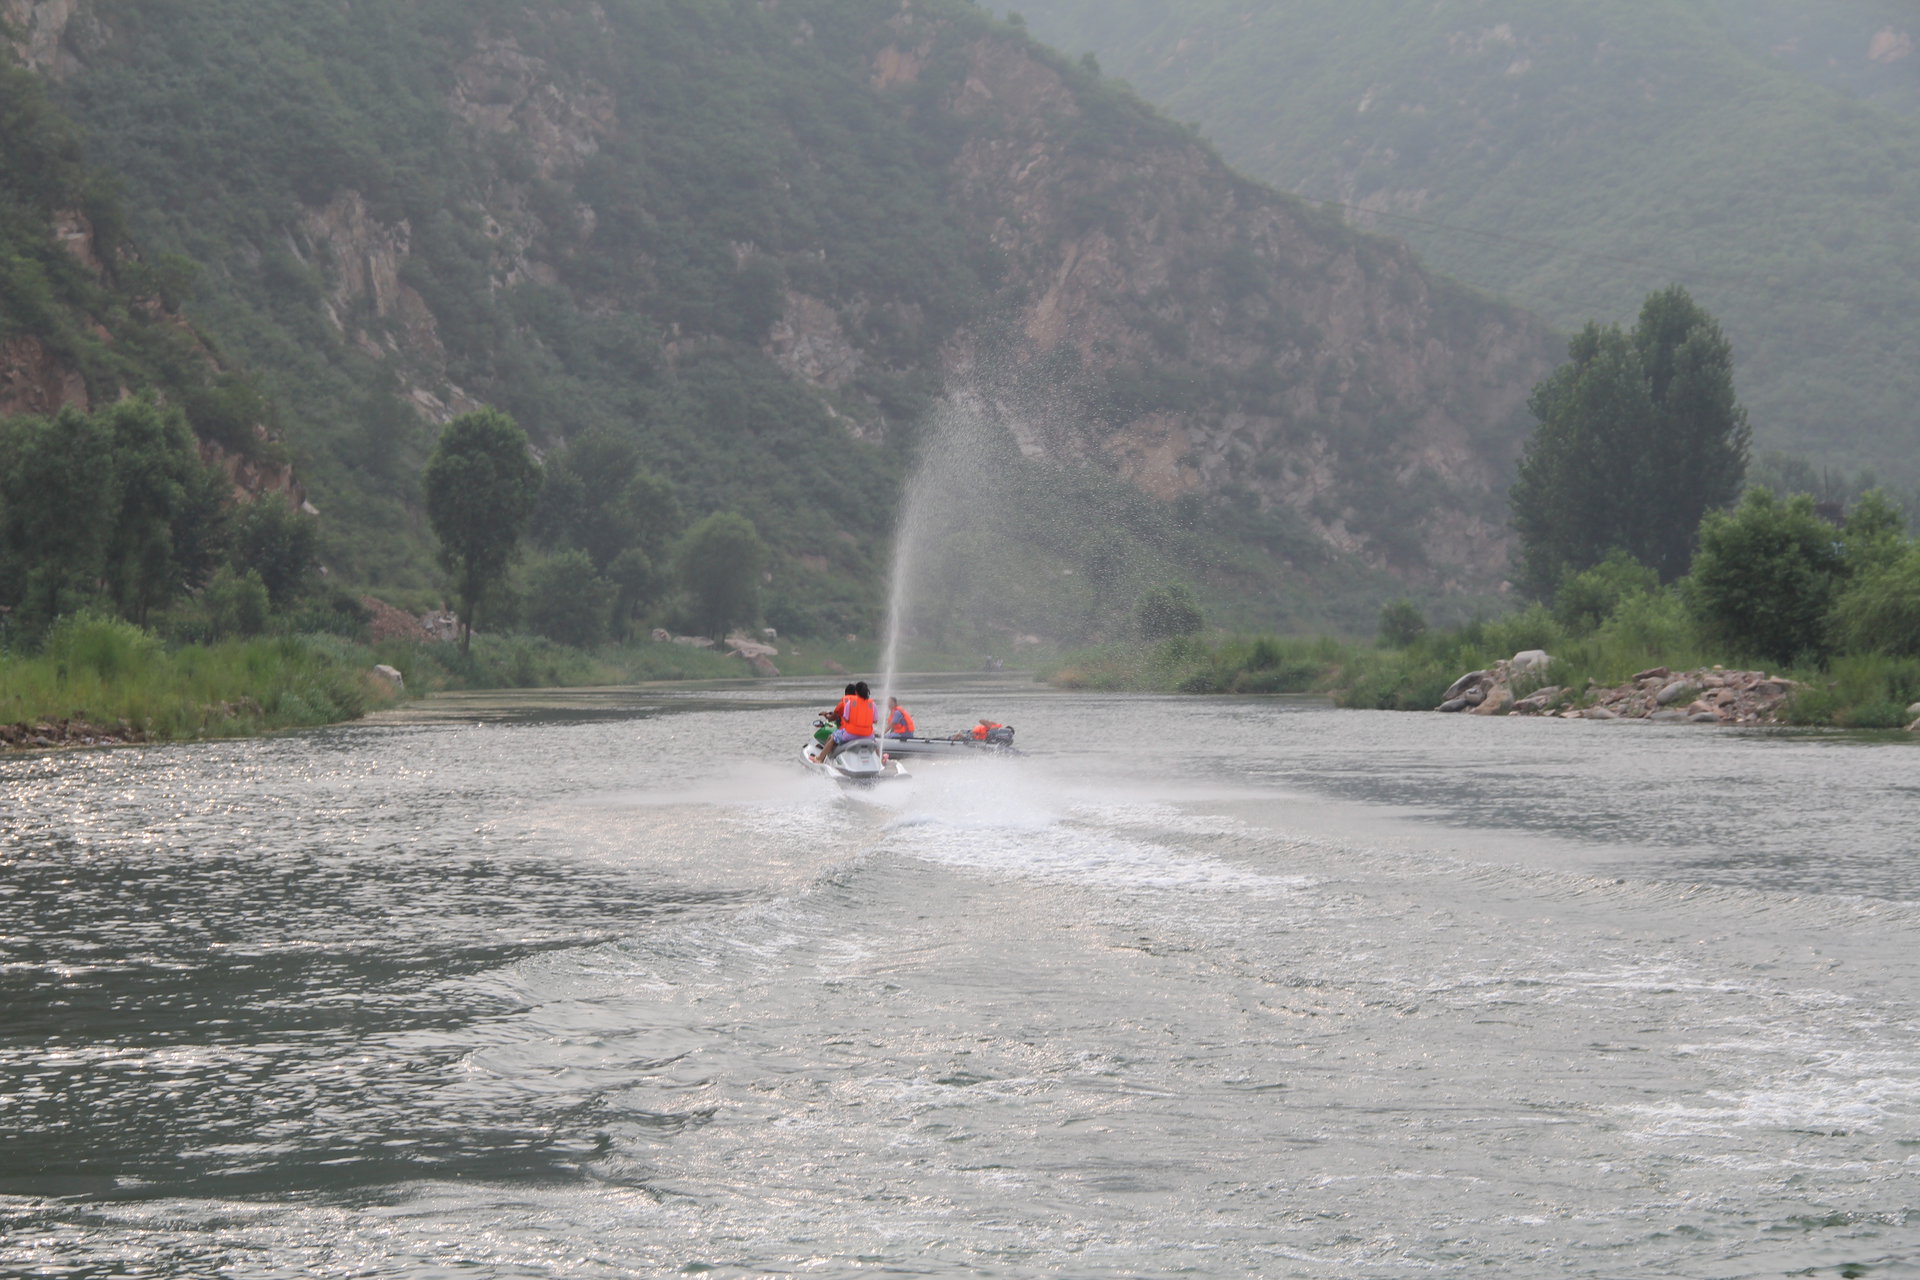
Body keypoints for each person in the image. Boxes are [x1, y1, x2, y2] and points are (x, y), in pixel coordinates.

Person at [825, 681, 876, 758]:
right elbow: (875, 720)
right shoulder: (872, 704)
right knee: (876, 743)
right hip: (868, 735)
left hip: (851, 735)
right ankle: (881, 760)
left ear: (856, 692)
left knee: (832, 738)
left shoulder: (849, 703)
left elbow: (846, 718)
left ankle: (820, 759)